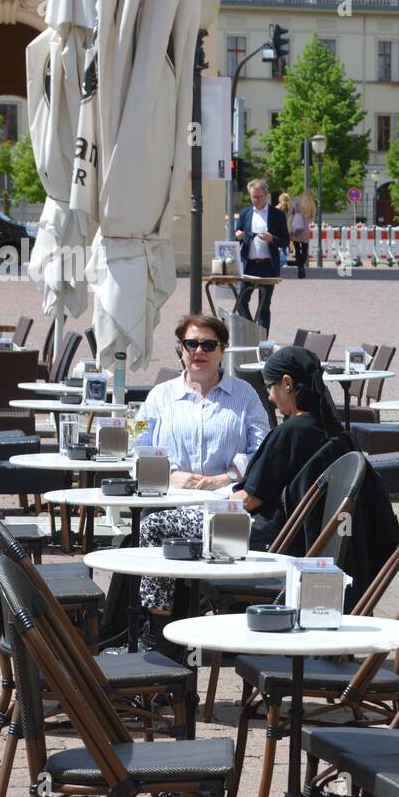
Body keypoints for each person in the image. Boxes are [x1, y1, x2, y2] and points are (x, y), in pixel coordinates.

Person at [137, 346, 342, 611]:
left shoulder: (282, 424)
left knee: (154, 523)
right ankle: (180, 610)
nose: (269, 397)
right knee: (163, 519)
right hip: (290, 530)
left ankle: (158, 620)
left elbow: (249, 497)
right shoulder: (331, 428)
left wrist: (212, 498)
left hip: (257, 532)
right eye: (189, 344)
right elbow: (137, 433)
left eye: (271, 387)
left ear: (288, 384)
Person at [137, 314, 270, 491]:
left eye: (208, 345)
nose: (199, 351)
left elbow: (262, 451)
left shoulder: (246, 394)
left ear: (222, 350)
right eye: (191, 344)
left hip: (225, 502)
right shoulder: (157, 395)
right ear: (181, 348)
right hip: (168, 499)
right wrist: (167, 477)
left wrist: (228, 478)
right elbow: (136, 447)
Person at [234, 178, 290, 332]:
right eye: (253, 197)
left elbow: (285, 241)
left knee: (264, 305)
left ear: (266, 196)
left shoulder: (277, 215)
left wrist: (272, 239)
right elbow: (236, 237)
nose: (255, 200)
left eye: (258, 197)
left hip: (268, 265)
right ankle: (252, 330)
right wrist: (238, 236)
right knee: (241, 302)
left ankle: (262, 341)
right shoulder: (245, 213)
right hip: (249, 265)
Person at [289, 190, 313, 279]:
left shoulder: (297, 203)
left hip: (296, 228)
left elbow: (289, 214)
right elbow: (311, 217)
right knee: (304, 250)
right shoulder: (311, 205)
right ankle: (302, 266)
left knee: (297, 250)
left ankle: (299, 268)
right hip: (305, 229)